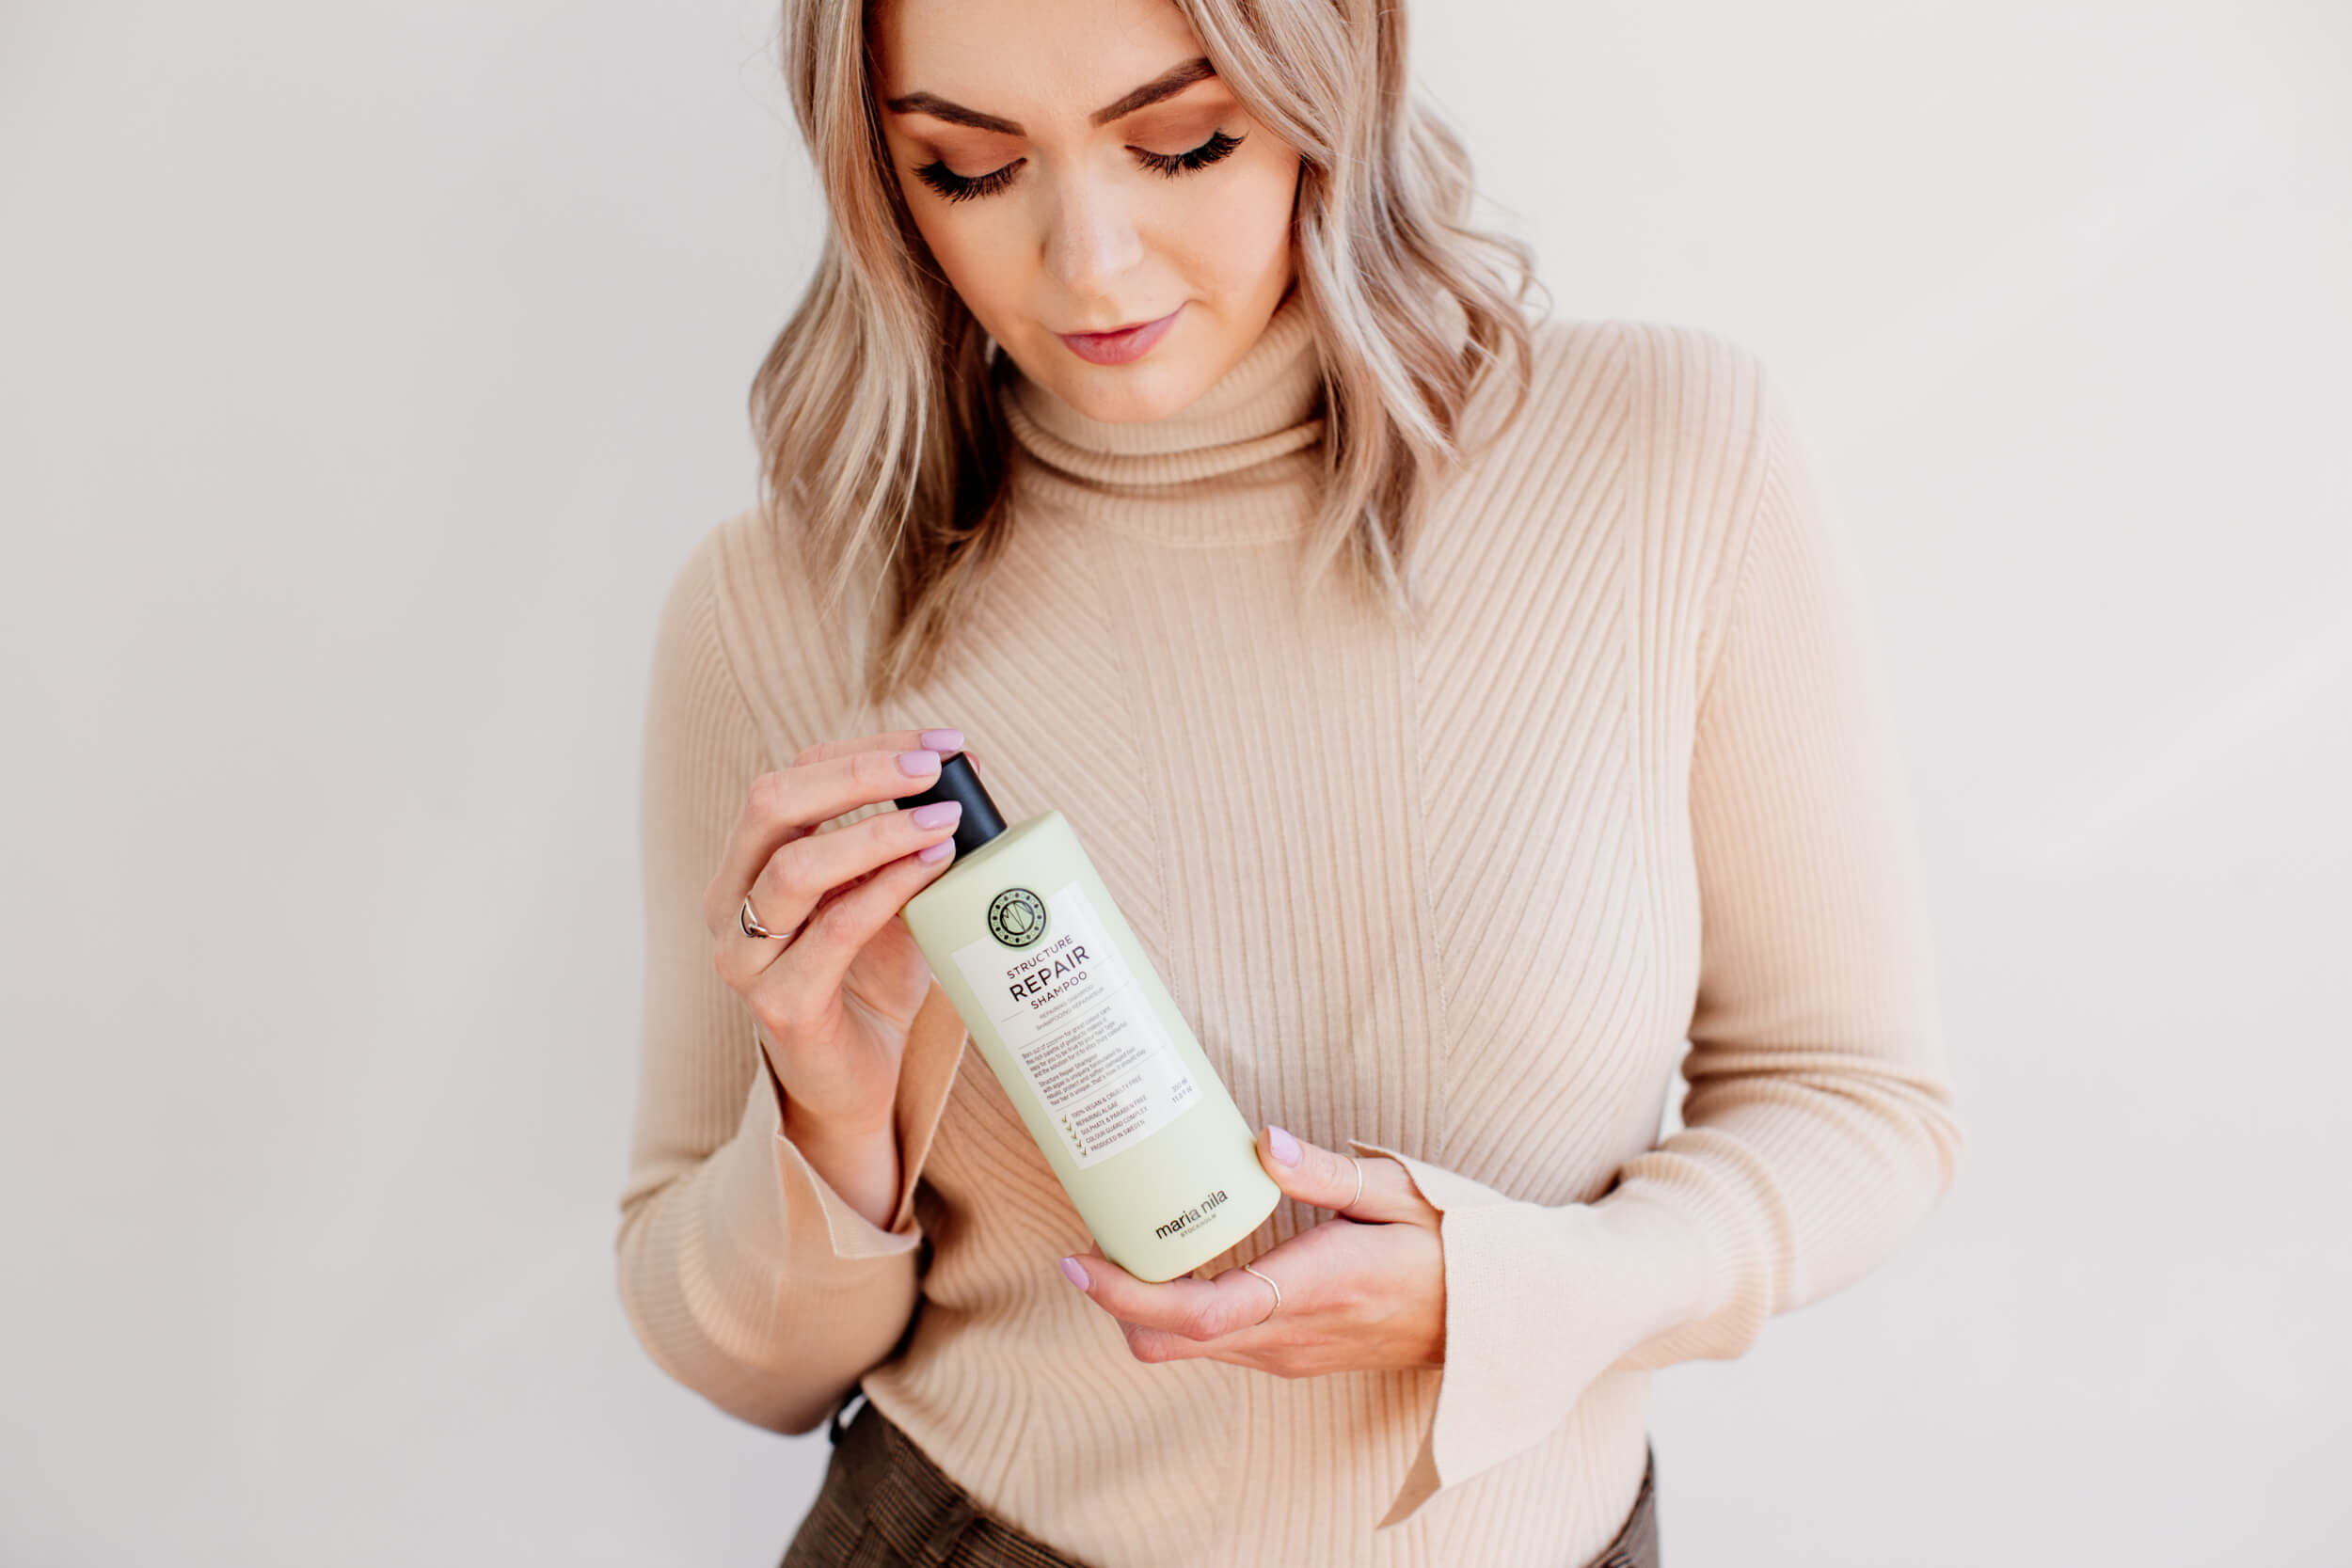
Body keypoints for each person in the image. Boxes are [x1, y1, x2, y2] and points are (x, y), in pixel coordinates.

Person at [613, 0, 1967, 1562]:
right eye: (969, 168)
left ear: (1336, 82)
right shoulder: (773, 610)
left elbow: (1857, 1100)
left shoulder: (1671, 457)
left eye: (1185, 142)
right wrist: (829, 1123)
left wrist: (1519, 1293)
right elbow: (744, 1365)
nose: (1091, 262)